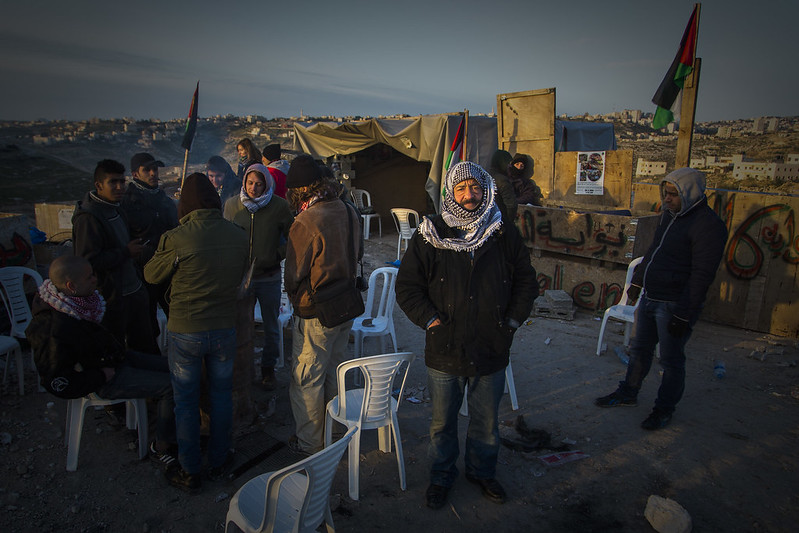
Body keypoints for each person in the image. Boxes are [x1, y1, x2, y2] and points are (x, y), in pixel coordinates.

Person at [395, 161, 537, 509]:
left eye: (475, 187)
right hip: (445, 346)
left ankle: (481, 472)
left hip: (491, 344)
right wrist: (430, 321)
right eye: (461, 189)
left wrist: (512, 322)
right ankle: (442, 476)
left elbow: (526, 281)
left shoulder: (502, 231)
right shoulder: (431, 233)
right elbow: (408, 287)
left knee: (486, 423)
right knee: (442, 424)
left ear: (485, 189)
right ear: (450, 193)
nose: (469, 195)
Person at [595, 167, 728, 430]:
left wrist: (684, 313)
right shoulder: (670, 216)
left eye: (672, 195)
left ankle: (664, 409)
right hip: (651, 297)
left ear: (689, 194)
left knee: (670, 360)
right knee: (639, 351)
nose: (666, 199)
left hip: (674, 304)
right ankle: (628, 393)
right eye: (665, 193)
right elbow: (653, 251)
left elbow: (702, 275)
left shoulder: (708, 226)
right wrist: (637, 282)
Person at [144, 173, 249, 493]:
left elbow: (151, 275)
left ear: (185, 203)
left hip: (186, 331)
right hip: (223, 330)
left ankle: (190, 469)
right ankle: (218, 460)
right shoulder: (238, 234)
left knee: (185, 402)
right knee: (220, 397)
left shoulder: (177, 238)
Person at [26, 255, 177, 468]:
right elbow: (57, 381)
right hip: (104, 378)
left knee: (178, 369)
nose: (95, 280)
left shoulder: (76, 303)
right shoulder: (53, 329)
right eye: (90, 277)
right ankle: (161, 447)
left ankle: (180, 426)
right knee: (170, 386)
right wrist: (99, 376)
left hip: (114, 360)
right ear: (71, 285)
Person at [283, 154, 363, 455]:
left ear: (299, 190)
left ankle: (310, 448)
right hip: (346, 305)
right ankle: (332, 433)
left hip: (315, 313)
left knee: (306, 381)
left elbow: (294, 276)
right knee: (332, 373)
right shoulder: (347, 208)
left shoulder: (305, 220)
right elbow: (358, 254)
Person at [72, 159, 159, 354]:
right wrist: (125, 253)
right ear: (99, 185)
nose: (120, 187)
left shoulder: (117, 208)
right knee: (116, 350)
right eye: (113, 182)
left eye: (122, 181)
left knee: (146, 346)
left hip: (133, 290)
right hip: (111, 297)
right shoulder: (89, 218)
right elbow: (88, 262)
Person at [223, 163, 294, 390]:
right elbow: (224, 235)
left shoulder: (279, 206)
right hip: (241, 277)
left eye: (259, 184)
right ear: (244, 182)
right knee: (240, 324)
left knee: (271, 326)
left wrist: (276, 255)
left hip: (269, 276)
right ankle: (242, 369)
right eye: (250, 183)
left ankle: (267, 369)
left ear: (266, 185)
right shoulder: (232, 206)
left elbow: (293, 238)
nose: (254, 188)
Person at [121, 152, 178, 339]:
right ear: (135, 174)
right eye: (147, 170)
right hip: (142, 271)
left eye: (155, 169)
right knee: (147, 322)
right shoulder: (127, 203)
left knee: (176, 316)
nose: (153, 173)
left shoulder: (163, 199)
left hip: (167, 268)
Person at [488, 149, 519, 221]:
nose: (510, 166)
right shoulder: (502, 180)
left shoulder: (485, 175)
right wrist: (509, 222)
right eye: (508, 163)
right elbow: (511, 205)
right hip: (501, 220)